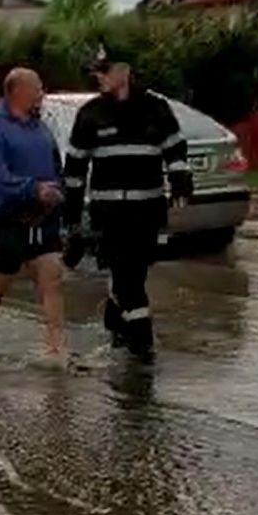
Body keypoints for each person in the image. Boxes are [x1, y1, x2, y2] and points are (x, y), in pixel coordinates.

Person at [62, 49, 191, 361]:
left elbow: (175, 149)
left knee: (135, 274)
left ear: (125, 70)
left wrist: (181, 182)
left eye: (105, 70)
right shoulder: (91, 114)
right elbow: (75, 170)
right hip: (110, 215)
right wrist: (73, 224)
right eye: (97, 72)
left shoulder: (154, 109)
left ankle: (115, 315)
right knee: (127, 277)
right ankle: (142, 343)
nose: (100, 77)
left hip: (146, 211)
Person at [0, 68, 67, 363]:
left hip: (44, 218)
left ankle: (57, 349)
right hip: (7, 218)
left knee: (52, 277)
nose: (42, 93)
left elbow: (56, 166)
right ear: (17, 91)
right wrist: (33, 189)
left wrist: (57, 193)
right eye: (37, 88)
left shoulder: (41, 128)